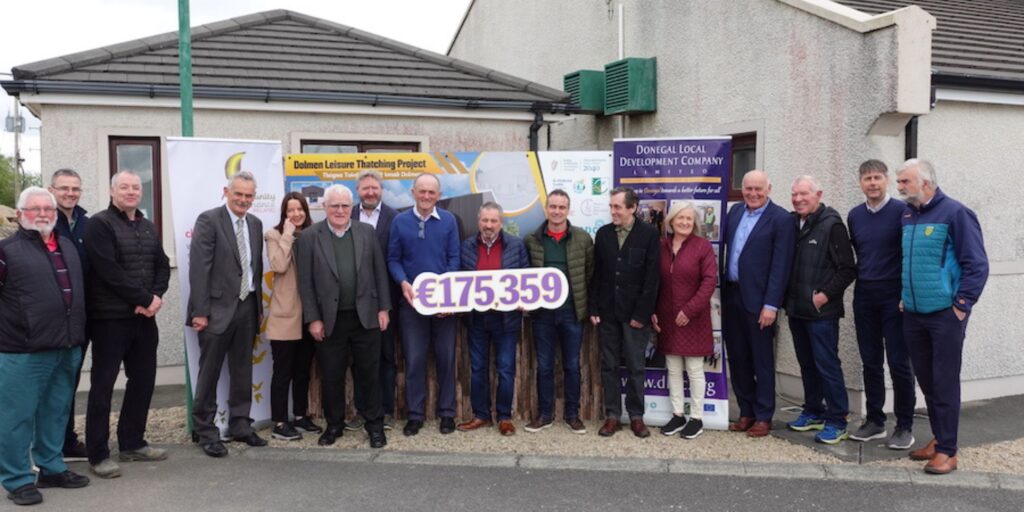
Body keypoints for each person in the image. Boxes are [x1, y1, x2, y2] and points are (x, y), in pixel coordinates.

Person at [896, 159, 988, 475]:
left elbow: (976, 264)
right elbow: (911, 263)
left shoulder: (956, 214)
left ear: (926, 182)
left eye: (905, 181)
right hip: (914, 314)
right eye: (899, 182)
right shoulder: (908, 215)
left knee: (944, 382)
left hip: (945, 316)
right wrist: (905, 297)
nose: (900, 187)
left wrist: (961, 304)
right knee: (927, 380)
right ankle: (939, 439)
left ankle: (948, 451)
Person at [0, 187, 90, 506]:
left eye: (47, 209)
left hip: (65, 346)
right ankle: (17, 478)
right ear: (20, 214)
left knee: (55, 412)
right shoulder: (6, 250)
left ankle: (51, 468)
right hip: (22, 351)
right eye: (34, 208)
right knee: (16, 417)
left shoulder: (65, 245)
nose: (42, 214)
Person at [84, 171, 171, 478]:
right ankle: (97, 453)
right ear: (112, 191)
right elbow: (108, 270)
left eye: (136, 187)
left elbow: (162, 264)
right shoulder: (99, 224)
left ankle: (132, 442)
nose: (131, 191)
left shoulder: (147, 226)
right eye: (125, 187)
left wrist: (155, 296)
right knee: (103, 385)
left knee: (144, 380)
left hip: (144, 319)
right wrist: (145, 298)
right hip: (110, 319)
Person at [297, 184, 391, 448]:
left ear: (352, 207)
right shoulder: (309, 237)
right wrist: (313, 319)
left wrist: (383, 308)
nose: (340, 210)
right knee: (332, 374)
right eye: (335, 206)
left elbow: (379, 272)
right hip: (329, 320)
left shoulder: (366, 232)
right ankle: (334, 425)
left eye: (345, 206)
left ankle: (374, 425)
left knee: (369, 373)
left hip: (366, 317)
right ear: (324, 207)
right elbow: (305, 283)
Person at [188, 171, 267, 457]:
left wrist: (257, 308)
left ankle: (240, 425)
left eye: (249, 195)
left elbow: (253, 269)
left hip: (247, 307)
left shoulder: (255, 224)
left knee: (243, 369)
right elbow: (199, 269)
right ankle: (205, 431)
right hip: (215, 310)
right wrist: (200, 311)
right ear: (226, 192)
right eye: (239, 194)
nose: (243, 200)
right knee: (209, 373)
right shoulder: (209, 220)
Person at [846, 160, 916, 449]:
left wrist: (906, 294)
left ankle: (904, 426)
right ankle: (875, 421)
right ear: (860, 183)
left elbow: (910, 255)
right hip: (865, 295)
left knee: (899, 363)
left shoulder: (903, 212)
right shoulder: (854, 216)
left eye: (877, 177)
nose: (872, 183)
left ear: (886, 180)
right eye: (867, 178)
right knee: (870, 362)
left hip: (894, 296)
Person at [784, 176, 857, 445]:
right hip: (796, 309)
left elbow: (848, 268)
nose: (798, 199)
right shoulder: (794, 222)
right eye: (794, 194)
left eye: (804, 194)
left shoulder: (832, 224)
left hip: (821, 313)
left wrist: (824, 296)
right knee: (807, 365)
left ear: (818, 195)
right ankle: (814, 411)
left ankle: (838, 420)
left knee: (827, 365)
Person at [722, 170, 795, 437]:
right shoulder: (735, 213)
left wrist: (771, 305)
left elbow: (781, 265)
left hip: (761, 302)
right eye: (748, 188)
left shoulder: (781, 219)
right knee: (739, 358)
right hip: (732, 296)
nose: (753, 194)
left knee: (761, 360)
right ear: (742, 189)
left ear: (769, 189)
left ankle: (764, 415)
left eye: (758, 189)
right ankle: (746, 412)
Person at [387, 173, 460, 436]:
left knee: (446, 358)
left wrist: (446, 295)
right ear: (413, 192)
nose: (427, 196)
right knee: (415, 360)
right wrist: (403, 282)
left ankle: (447, 414)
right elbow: (393, 259)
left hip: (443, 306)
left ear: (438, 196)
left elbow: (454, 259)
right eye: (422, 191)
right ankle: (415, 415)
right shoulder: (400, 221)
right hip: (412, 304)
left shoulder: (449, 221)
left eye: (432, 192)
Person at [590, 186, 660, 438]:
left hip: (635, 316)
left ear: (632, 208)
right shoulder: (604, 234)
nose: (613, 211)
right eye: (611, 206)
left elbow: (652, 279)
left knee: (635, 366)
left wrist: (642, 314)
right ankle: (612, 416)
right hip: (608, 312)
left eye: (617, 207)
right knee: (609, 365)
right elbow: (597, 274)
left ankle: (637, 416)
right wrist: (594, 306)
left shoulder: (649, 235)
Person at [523, 189, 593, 434]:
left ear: (568, 210)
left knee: (572, 365)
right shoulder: (532, 239)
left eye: (562, 207)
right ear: (546, 208)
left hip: (572, 313)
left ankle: (572, 415)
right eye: (553, 206)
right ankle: (545, 414)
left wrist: (587, 307)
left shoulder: (582, 238)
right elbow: (525, 275)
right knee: (544, 366)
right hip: (542, 315)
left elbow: (589, 275)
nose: (557, 211)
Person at [457, 202, 529, 436]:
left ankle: (505, 417)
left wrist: (524, 300)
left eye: (493, 221)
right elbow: (457, 281)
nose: (489, 225)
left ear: (501, 223)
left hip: (506, 320)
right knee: (478, 368)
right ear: (479, 222)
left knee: (506, 369)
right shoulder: (466, 246)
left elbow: (527, 279)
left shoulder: (516, 246)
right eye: (485, 221)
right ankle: (481, 415)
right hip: (476, 319)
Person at [652, 201, 717, 440]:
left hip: (694, 319)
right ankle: (678, 414)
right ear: (671, 221)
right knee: (673, 368)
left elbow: (709, 282)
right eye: (680, 218)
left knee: (694, 369)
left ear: (695, 222)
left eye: (689, 219)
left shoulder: (703, 247)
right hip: (667, 317)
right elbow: (654, 282)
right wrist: (653, 311)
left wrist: (689, 311)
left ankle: (697, 418)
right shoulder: (662, 246)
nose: (685, 222)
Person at [264, 192, 320, 441]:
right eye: (291, 210)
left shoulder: (314, 235)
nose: (296, 214)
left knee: (302, 371)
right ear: (284, 213)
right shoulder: (274, 235)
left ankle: (299, 415)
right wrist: (287, 235)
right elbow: (278, 265)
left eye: (300, 209)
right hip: (285, 316)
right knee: (282, 371)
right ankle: (279, 422)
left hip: (308, 315)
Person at [351, 170, 400, 431]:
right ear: (357, 190)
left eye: (374, 188)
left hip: (386, 300)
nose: (370, 192)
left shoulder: (396, 218)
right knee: (360, 359)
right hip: (354, 302)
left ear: (381, 190)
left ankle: (386, 410)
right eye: (365, 188)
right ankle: (363, 410)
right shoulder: (347, 215)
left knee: (386, 357)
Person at [48, 168, 90, 461]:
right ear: (51, 190)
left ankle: (66, 440)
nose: (70, 194)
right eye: (64, 188)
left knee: (69, 381)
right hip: (51, 320)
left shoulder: (87, 224)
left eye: (75, 189)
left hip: (81, 318)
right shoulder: (45, 223)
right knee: (50, 384)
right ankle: (47, 446)